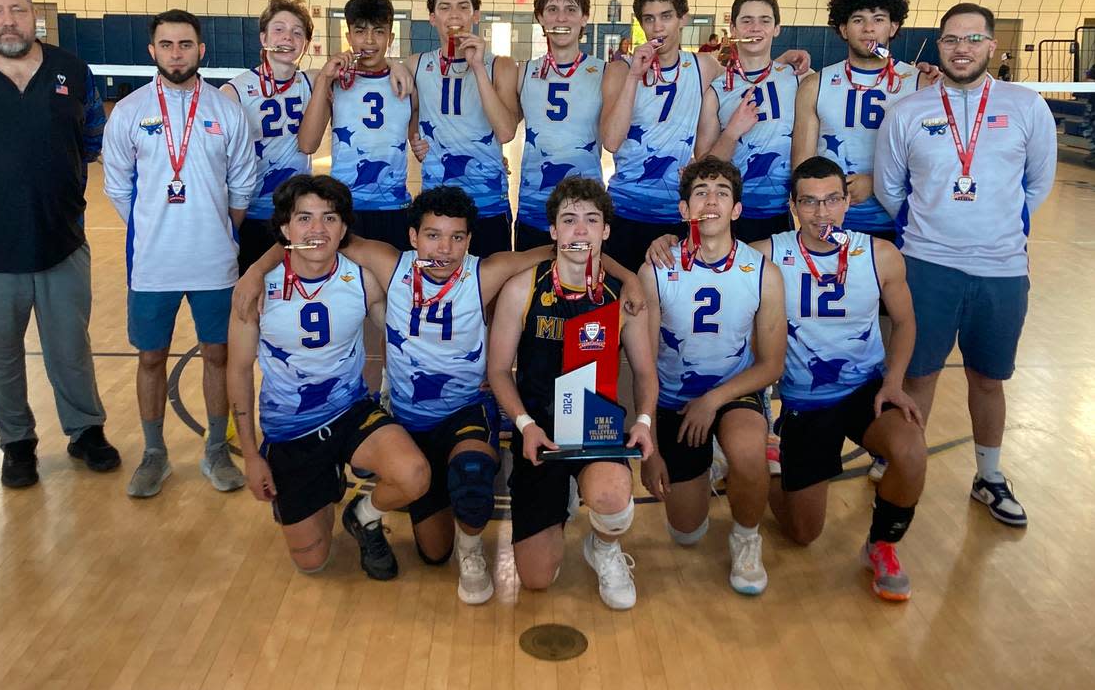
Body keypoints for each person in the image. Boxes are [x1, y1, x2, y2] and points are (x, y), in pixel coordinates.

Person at [235, 184, 644, 602]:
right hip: (410, 422)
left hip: (466, 410)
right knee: (430, 552)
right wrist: (254, 271)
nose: (444, 249)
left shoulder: (484, 273)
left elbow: (571, 249)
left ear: (470, 240)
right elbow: (314, 238)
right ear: (413, 237)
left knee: (471, 483)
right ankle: (368, 511)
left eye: (457, 237)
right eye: (432, 235)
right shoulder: (389, 265)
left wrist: (627, 275)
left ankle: (471, 550)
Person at [874, 3, 1057, 528]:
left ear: (991, 46)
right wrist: (932, 227)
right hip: (928, 265)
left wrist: (999, 226)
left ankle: (989, 475)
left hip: (1002, 269)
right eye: (951, 39)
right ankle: (902, 465)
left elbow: (1038, 182)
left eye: (973, 38)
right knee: (918, 375)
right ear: (938, 46)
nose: (961, 48)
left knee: (989, 378)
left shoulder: (1026, 107)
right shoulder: (908, 111)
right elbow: (891, 187)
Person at [0, 0, 119, 488]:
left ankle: (86, 430)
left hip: (62, 240)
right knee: (0, 356)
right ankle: (17, 444)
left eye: (19, 10)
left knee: (70, 347)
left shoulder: (71, 68)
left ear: (34, 15)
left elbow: (92, 136)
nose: (9, 20)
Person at [226, 175, 430, 579]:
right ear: (285, 228)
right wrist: (251, 455)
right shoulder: (256, 291)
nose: (317, 229)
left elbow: (398, 334)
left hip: (350, 411)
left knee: (414, 474)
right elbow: (236, 372)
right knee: (313, 562)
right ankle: (320, 480)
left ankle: (363, 514)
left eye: (330, 218)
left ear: (343, 227)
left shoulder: (361, 276)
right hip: (291, 429)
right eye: (304, 218)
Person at [103, 9, 258, 498]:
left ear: (201, 50)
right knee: (151, 358)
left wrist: (216, 231)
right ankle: (154, 454)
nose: (176, 53)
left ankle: (215, 449)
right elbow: (116, 187)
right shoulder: (128, 112)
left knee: (218, 354)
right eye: (167, 45)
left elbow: (243, 183)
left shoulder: (225, 110)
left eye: (185, 44)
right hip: (153, 264)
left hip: (214, 260)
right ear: (152, 51)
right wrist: (154, 229)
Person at [488, 177, 657, 611]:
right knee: (537, 579)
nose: (580, 230)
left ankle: (603, 547)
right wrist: (523, 425)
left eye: (591, 220)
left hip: (594, 425)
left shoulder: (625, 297)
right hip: (538, 435)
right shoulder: (523, 288)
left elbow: (643, 370)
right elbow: (497, 370)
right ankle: (558, 494)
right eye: (569, 220)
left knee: (612, 496)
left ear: (605, 232)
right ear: (553, 232)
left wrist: (643, 421)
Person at [765, 156, 926, 600]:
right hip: (805, 402)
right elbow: (710, 253)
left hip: (864, 389)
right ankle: (773, 467)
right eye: (810, 202)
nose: (822, 213)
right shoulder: (769, 254)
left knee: (911, 449)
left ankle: (882, 545)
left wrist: (894, 382)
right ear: (793, 206)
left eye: (832, 200)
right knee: (802, 533)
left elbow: (906, 323)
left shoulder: (879, 254)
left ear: (846, 202)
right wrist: (666, 240)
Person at [638, 157, 786, 595]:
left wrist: (713, 400)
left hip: (732, 391)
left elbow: (771, 365)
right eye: (700, 192)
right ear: (684, 211)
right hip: (674, 402)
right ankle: (710, 463)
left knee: (747, 450)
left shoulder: (763, 273)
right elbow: (644, 366)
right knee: (686, 533)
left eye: (722, 192)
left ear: (737, 209)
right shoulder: (656, 271)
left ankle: (746, 537)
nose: (711, 200)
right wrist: (649, 450)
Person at [602, 0, 808, 273]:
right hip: (626, 209)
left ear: (682, 19)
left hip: (683, 213)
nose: (658, 27)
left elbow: (750, 76)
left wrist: (781, 62)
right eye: (649, 19)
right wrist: (635, 76)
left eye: (667, 16)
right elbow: (610, 142)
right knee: (625, 302)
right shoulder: (621, 68)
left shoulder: (703, 67)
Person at [793, 0, 933, 244]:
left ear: (893, 27)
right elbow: (802, 166)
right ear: (843, 29)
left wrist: (876, 182)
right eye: (858, 20)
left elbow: (932, 162)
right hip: (832, 223)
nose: (869, 28)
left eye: (878, 19)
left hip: (900, 222)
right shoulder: (815, 85)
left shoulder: (921, 83)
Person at [406, 0, 519, 257]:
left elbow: (505, 132)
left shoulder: (501, 66)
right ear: (432, 18)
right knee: (440, 284)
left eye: (463, 6)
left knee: (490, 289)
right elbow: (411, 115)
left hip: (488, 201)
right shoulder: (414, 66)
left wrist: (478, 67)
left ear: (476, 15)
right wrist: (414, 140)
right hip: (437, 205)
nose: (454, 15)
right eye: (444, 7)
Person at [299, 0, 416, 250]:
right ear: (349, 36)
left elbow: (421, 142)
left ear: (391, 37)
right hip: (346, 208)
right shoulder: (334, 81)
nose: (370, 40)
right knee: (348, 288)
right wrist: (324, 81)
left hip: (394, 207)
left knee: (391, 287)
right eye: (361, 31)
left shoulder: (406, 81)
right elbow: (308, 144)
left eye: (379, 31)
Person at [700, 0, 804, 243]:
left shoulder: (800, 79)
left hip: (781, 216)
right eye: (746, 21)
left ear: (777, 28)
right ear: (733, 29)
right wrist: (733, 131)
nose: (755, 28)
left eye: (765, 21)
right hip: (729, 217)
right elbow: (703, 169)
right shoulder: (717, 89)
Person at [221, 0, 315, 275]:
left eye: (297, 32)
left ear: (305, 45)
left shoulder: (313, 81)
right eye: (279, 29)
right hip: (251, 213)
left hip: (296, 215)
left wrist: (396, 65)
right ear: (264, 38)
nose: (288, 37)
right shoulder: (234, 91)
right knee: (250, 295)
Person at [515, 0, 605, 251]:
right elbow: (502, 128)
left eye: (571, 9)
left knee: (585, 287)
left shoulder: (605, 72)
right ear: (540, 18)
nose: (561, 18)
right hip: (534, 206)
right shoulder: (523, 72)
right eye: (552, 10)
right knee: (531, 288)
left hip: (585, 213)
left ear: (585, 18)